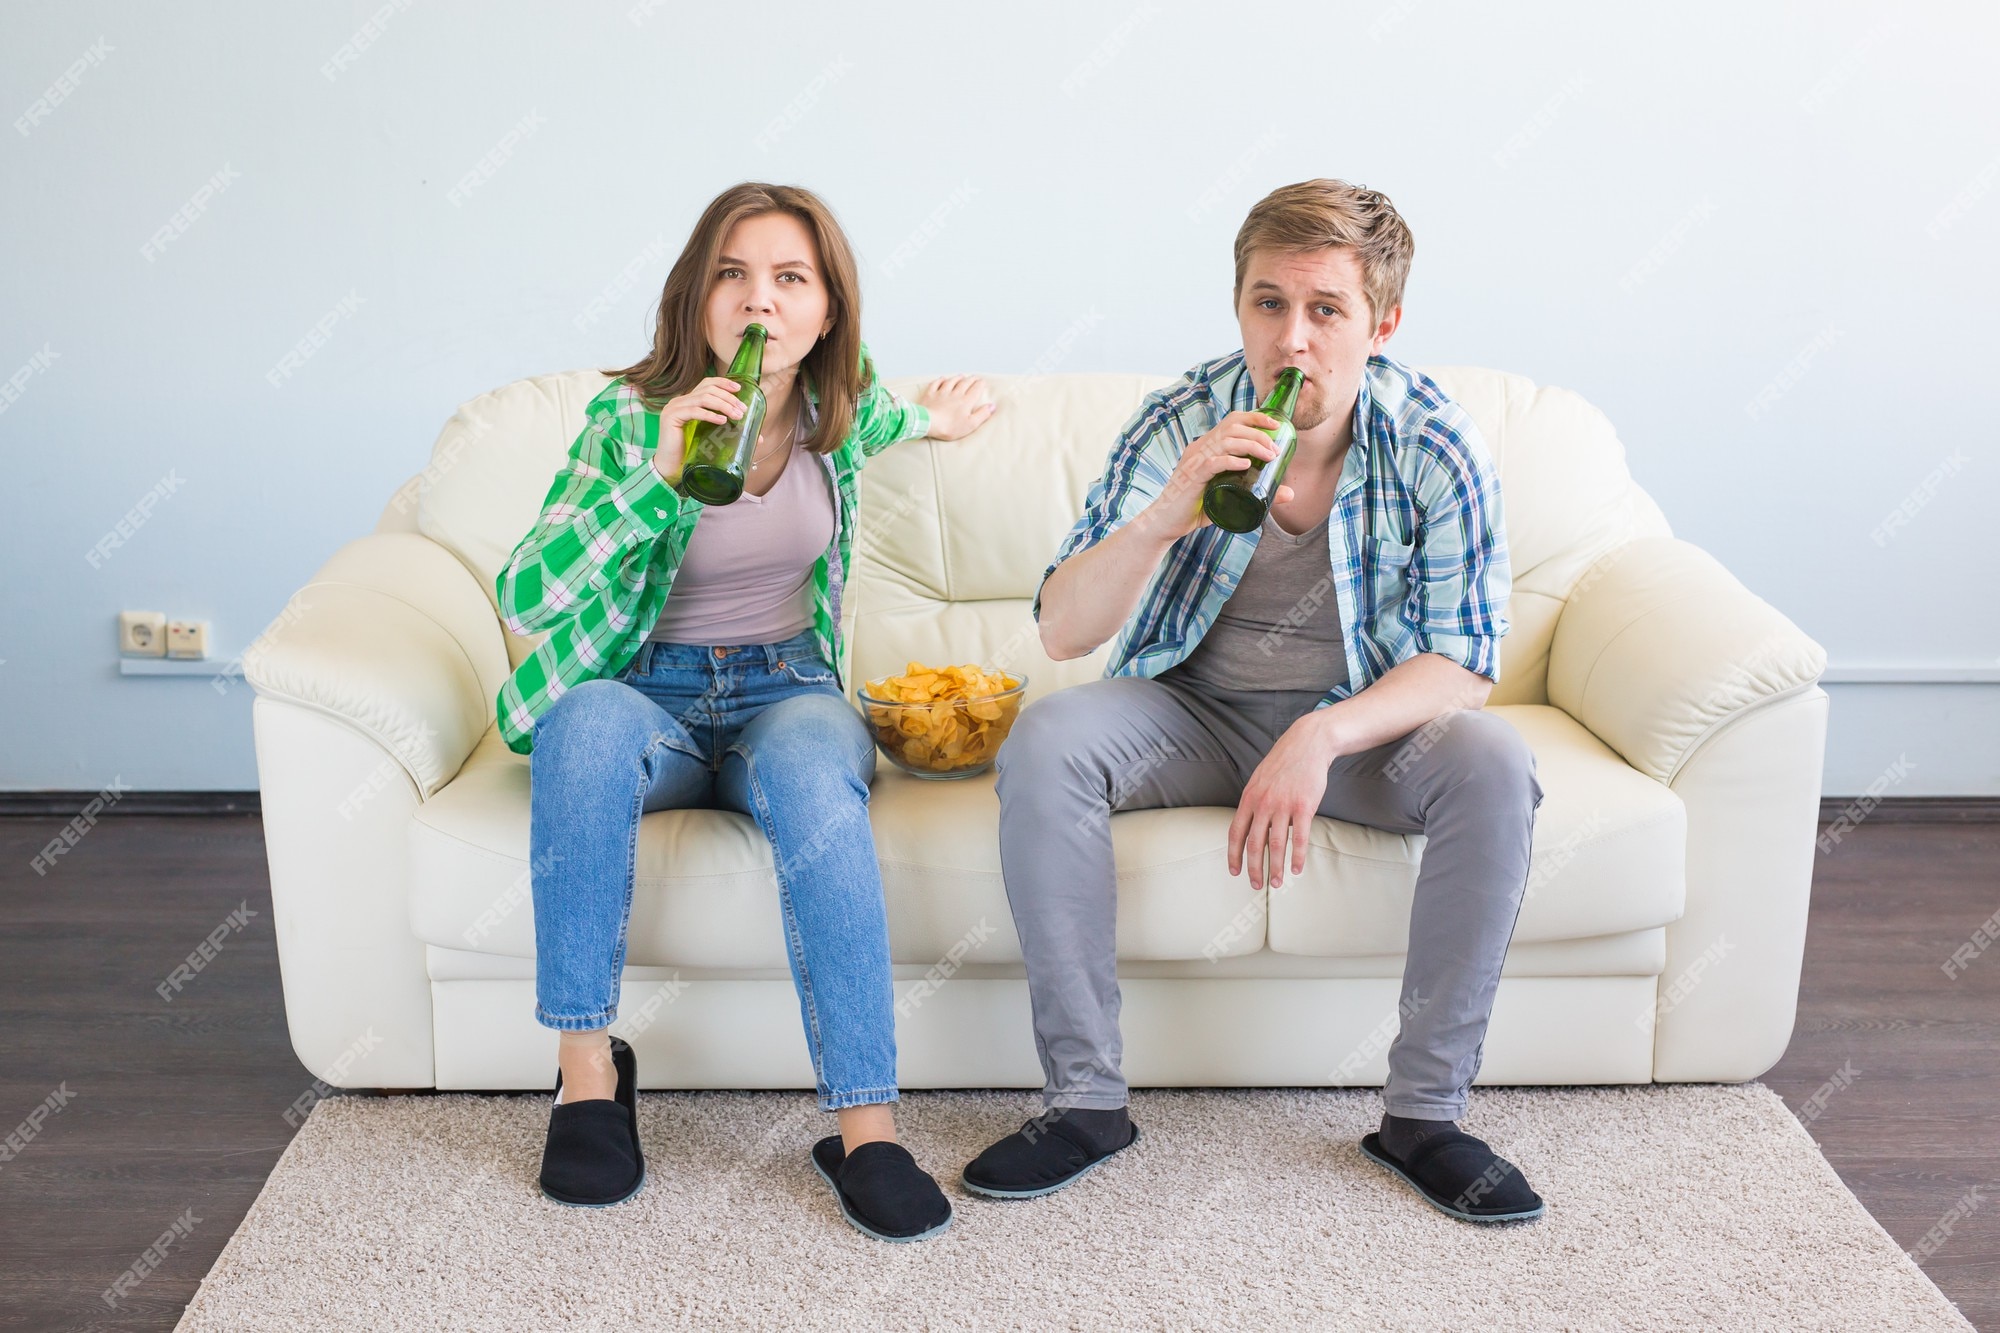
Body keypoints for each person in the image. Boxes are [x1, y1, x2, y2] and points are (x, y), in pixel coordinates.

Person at [961, 178, 1547, 1223]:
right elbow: (1060, 630)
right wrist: (1162, 518)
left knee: (1494, 762)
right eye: (1267, 303)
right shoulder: (1181, 418)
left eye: (1325, 310)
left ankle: (1423, 1117)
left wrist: (1321, 734)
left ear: (1382, 324)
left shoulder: (1432, 441)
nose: (1291, 339)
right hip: (1191, 714)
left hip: (1357, 728)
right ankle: (1085, 1103)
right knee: (1048, 738)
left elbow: (1462, 659)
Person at [493, 181, 997, 1240]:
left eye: (789, 278)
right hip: (650, 690)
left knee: (819, 776)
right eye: (733, 273)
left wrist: (942, 416)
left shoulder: (835, 411)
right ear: (698, 299)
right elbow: (526, 593)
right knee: (581, 726)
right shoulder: (630, 419)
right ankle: (587, 1077)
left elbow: (893, 411)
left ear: (822, 314)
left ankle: (864, 1128)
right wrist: (661, 477)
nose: (758, 299)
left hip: (789, 688)